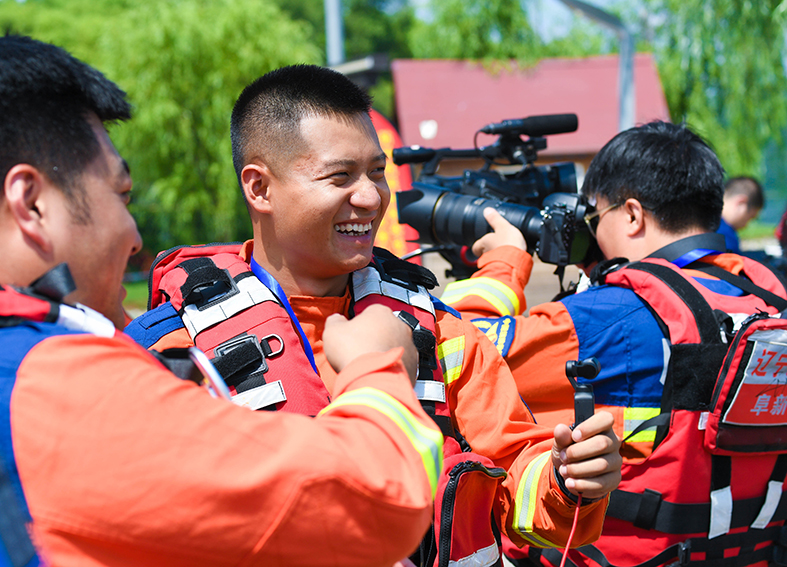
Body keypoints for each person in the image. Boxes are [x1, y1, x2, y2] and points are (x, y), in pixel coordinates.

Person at [0, 35, 445, 567]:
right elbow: (373, 501)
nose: (133, 238)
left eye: (377, 172)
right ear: (30, 203)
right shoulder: (61, 383)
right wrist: (376, 368)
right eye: (121, 196)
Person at [127, 64, 622, 567]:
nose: (370, 197)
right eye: (340, 176)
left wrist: (566, 477)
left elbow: (520, 478)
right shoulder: (176, 353)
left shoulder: (441, 332)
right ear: (259, 189)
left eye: (377, 172)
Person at [444, 121, 787, 567]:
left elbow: (459, 349)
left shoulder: (615, 315)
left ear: (631, 215)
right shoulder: (769, 297)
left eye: (594, 217)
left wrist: (503, 261)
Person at [716, 176, 764, 252]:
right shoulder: (725, 235)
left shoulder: (698, 218)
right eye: (750, 218)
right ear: (741, 203)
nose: (746, 225)